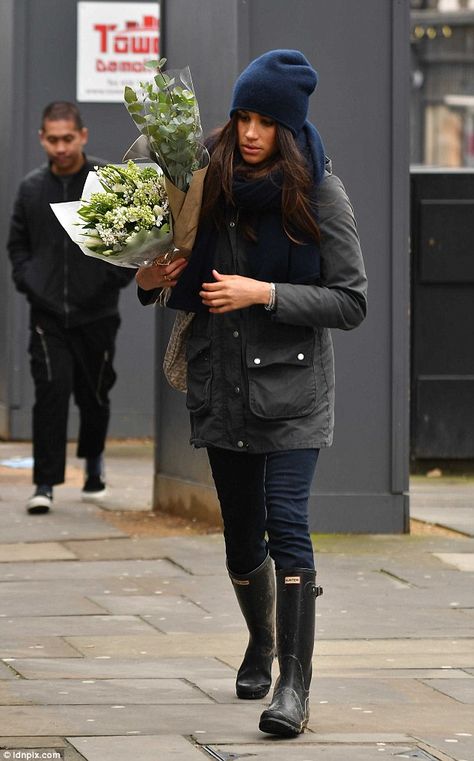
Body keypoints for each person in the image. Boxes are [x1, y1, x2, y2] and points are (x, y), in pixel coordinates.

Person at [136, 50, 367, 736]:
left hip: (294, 388)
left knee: (288, 525)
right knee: (242, 540)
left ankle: (293, 688)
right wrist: (153, 276)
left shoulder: (321, 192)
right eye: (243, 116)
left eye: (267, 120)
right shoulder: (204, 183)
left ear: (289, 128)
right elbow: (163, 282)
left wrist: (261, 292)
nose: (251, 131)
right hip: (222, 383)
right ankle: (262, 642)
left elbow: (351, 301)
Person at [8, 102, 135, 515]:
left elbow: (131, 243)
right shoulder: (31, 189)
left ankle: (94, 463)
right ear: (42, 139)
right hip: (47, 316)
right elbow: (18, 246)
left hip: (97, 313)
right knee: (50, 394)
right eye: (53, 139)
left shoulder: (104, 181)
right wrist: (30, 283)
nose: (61, 147)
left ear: (82, 135)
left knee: (94, 395)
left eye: (68, 138)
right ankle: (44, 484)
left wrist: (106, 283)